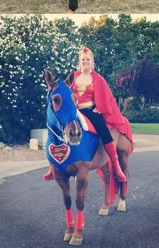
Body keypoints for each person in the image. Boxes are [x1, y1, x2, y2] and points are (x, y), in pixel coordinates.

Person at [44, 46, 133, 183]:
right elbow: (65, 94)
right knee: (57, 129)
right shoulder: (74, 77)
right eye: (83, 59)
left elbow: (105, 96)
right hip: (76, 110)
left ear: (92, 62)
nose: (85, 62)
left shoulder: (98, 79)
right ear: (79, 62)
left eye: (88, 59)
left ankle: (116, 165)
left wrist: (100, 107)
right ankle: (53, 166)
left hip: (91, 111)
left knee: (104, 132)